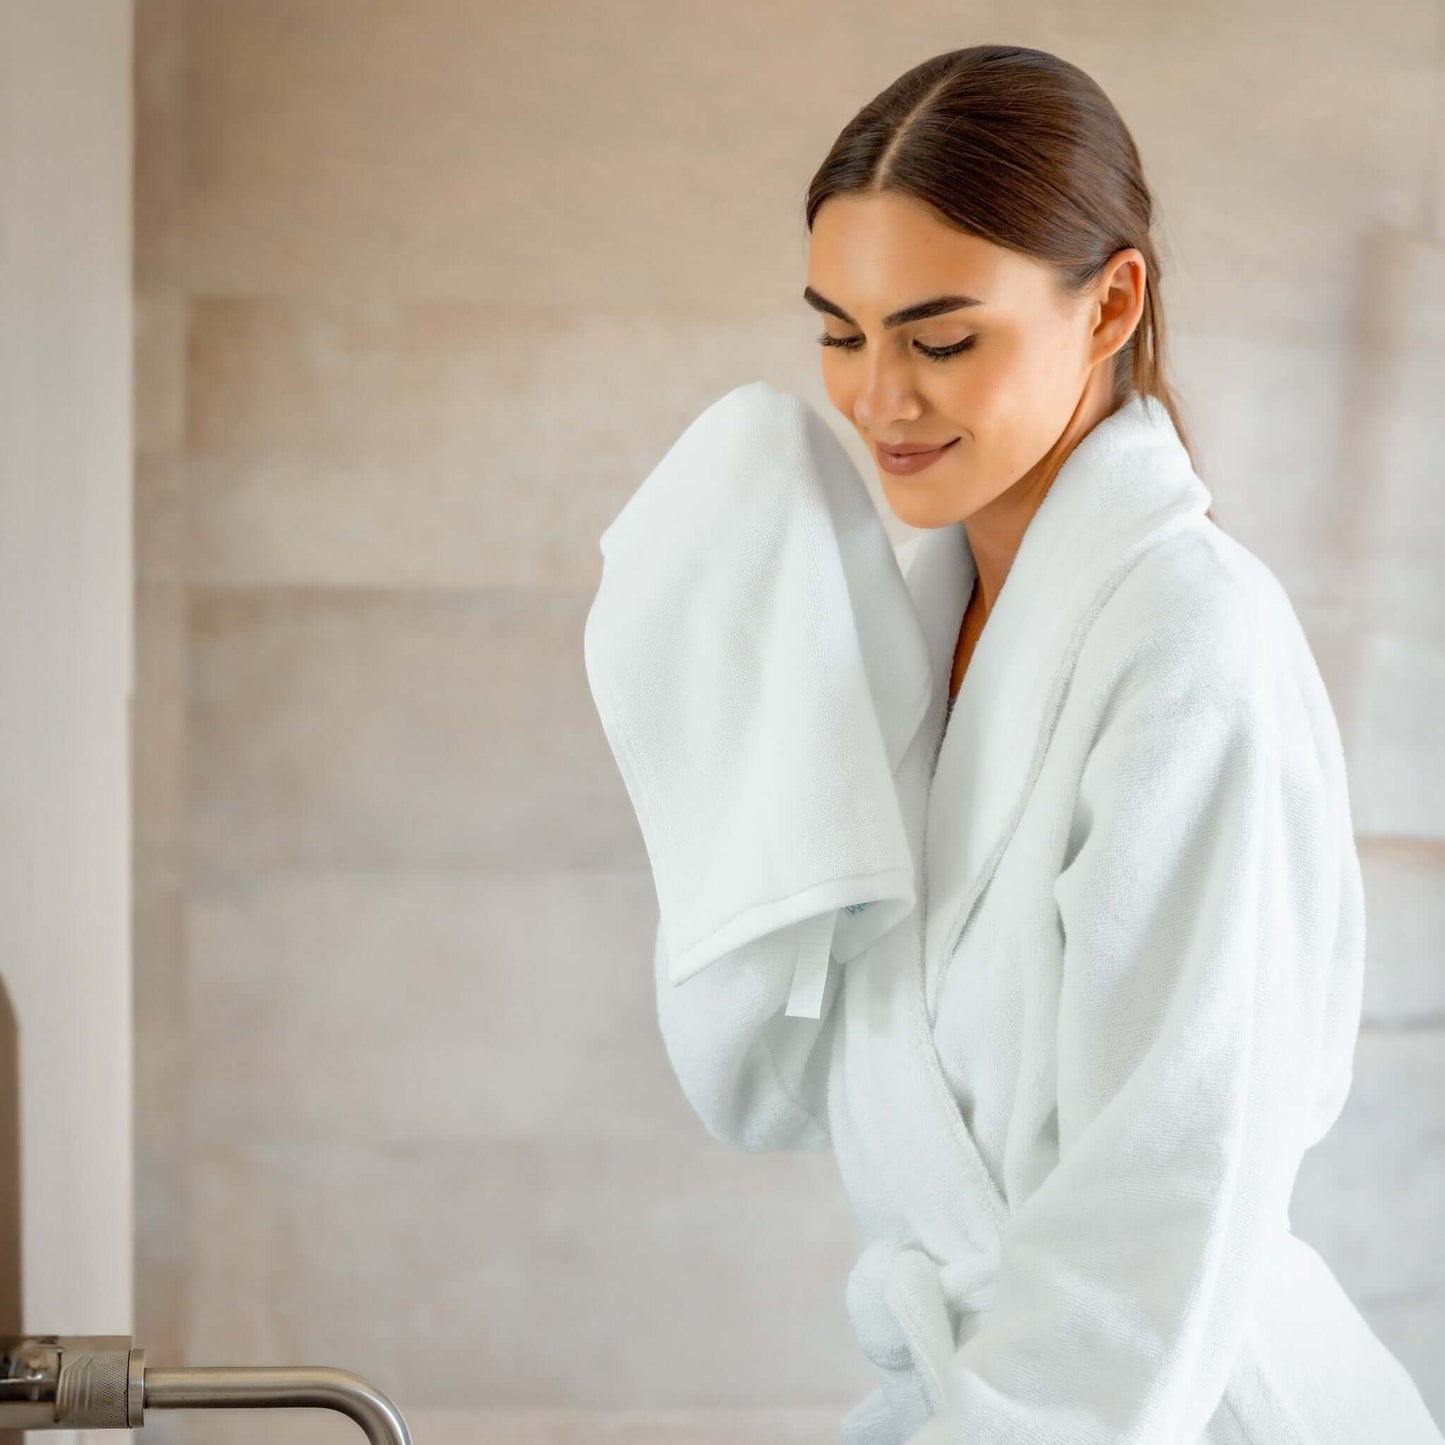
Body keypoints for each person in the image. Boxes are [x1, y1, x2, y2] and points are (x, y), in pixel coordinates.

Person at [641, 43, 1443, 1445]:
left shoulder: (1193, 644)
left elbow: (1166, 1188)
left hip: (1155, 1401)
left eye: (940, 339)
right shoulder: (916, 637)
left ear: (1110, 303)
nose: (877, 398)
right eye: (840, 333)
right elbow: (769, 1082)